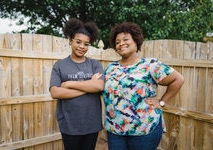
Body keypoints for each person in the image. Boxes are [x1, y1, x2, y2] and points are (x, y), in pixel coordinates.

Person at [102, 22, 184, 150]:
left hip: (144, 129)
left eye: (125, 39)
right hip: (115, 129)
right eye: (117, 42)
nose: (121, 43)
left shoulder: (150, 64)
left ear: (136, 41)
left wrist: (162, 102)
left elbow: (178, 79)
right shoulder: (111, 68)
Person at [49, 18, 104, 150]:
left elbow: (99, 86)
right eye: (78, 42)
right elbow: (55, 92)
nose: (82, 47)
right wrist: (89, 85)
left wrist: (68, 84)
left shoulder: (95, 64)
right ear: (70, 41)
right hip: (69, 124)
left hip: (91, 123)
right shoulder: (60, 65)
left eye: (86, 44)